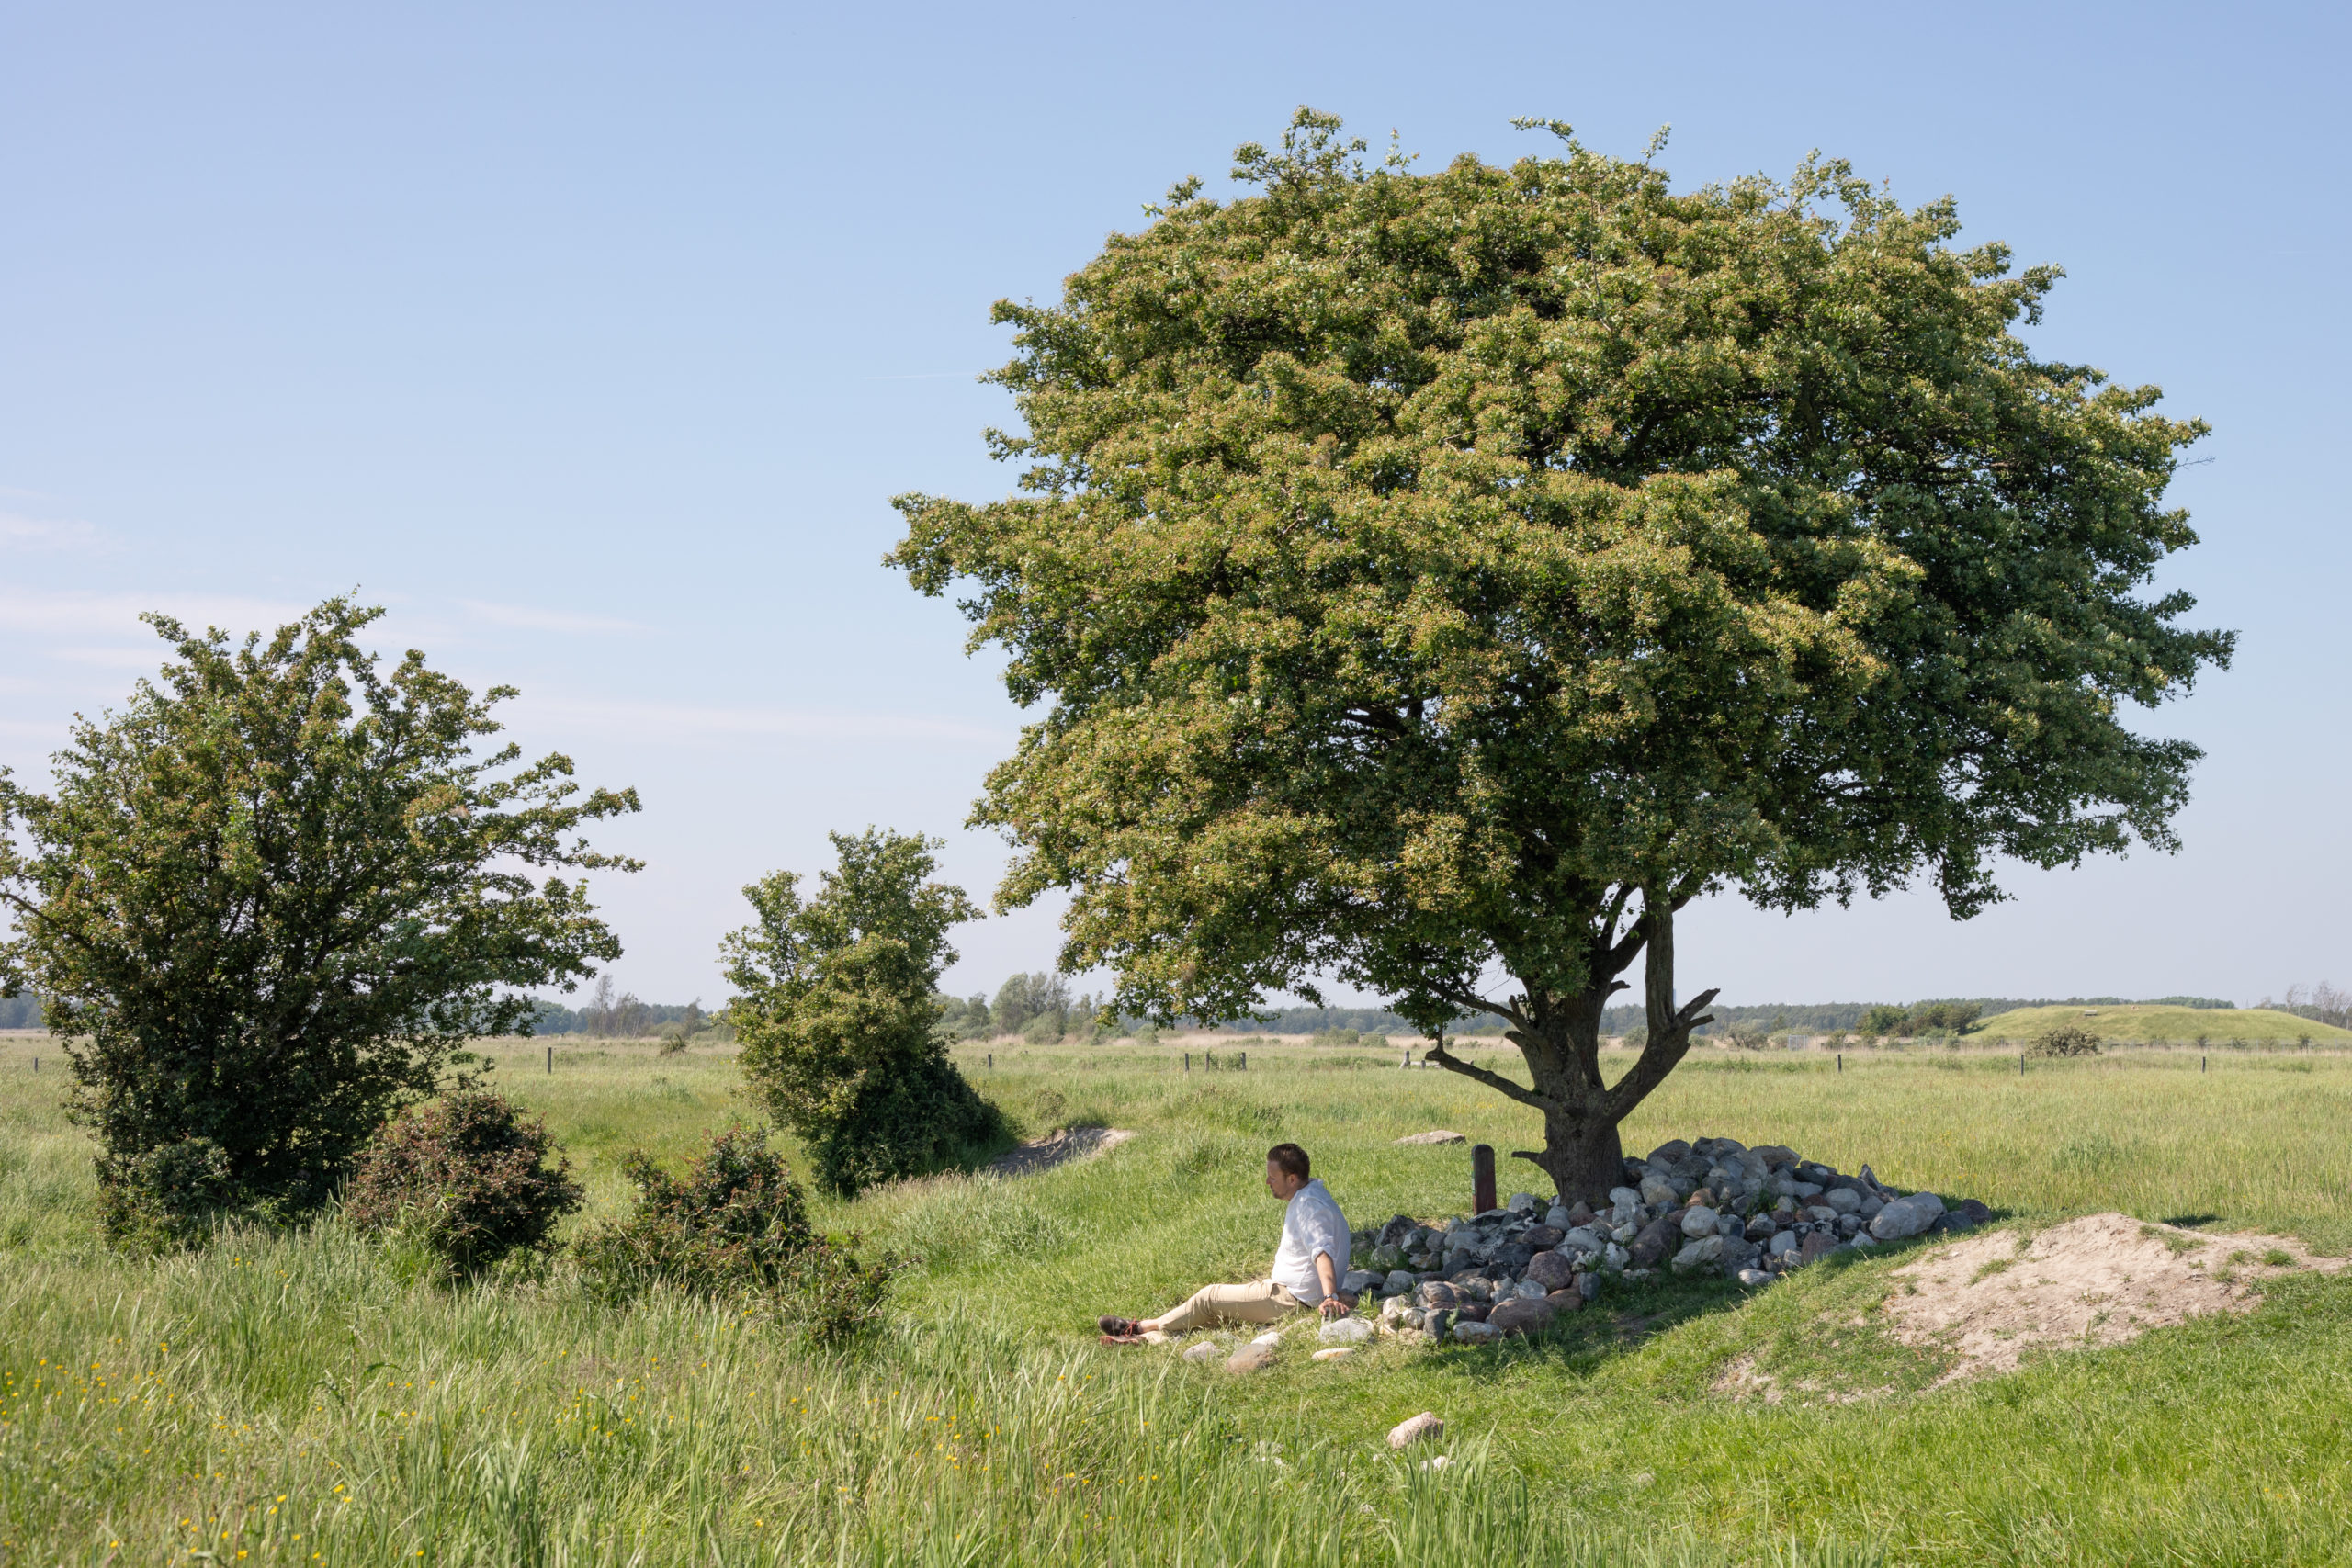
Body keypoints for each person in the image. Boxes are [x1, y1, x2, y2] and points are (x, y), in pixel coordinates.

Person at [1098, 1143, 1353, 1341]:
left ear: (1292, 1179)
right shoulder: (1314, 1194)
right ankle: (1150, 1337)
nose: (1267, 1182)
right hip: (1296, 1297)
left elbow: (1322, 1252)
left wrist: (1330, 1295)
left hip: (1289, 1298)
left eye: (1272, 1178)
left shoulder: (1308, 1206)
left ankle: (1137, 1327)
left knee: (1209, 1298)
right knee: (1212, 1316)